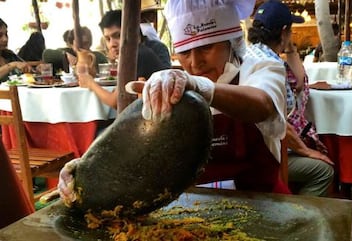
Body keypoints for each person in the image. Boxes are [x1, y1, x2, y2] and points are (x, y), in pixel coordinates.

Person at [58, 0, 290, 205]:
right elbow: (136, 147)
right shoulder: (174, 85)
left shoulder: (260, 68)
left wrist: (202, 87)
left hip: (261, 206)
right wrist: (88, 169)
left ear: (232, 41)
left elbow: (262, 104)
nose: (195, 63)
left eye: (207, 47)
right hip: (189, 209)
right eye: (185, 52)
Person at [247, 0, 334, 197]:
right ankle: (298, 217)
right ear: (285, 30)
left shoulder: (253, 54)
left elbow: (300, 83)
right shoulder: (270, 66)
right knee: (323, 171)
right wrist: (307, 151)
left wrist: (290, 48)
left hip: (259, 145)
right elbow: (280, 121)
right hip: (268, 152)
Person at [77, 10, 169, 109]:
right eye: (108, 39)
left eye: (118, 36)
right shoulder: (138, 52)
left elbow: (115, 102)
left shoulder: (137, 55)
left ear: (135, 34)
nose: (112, 44)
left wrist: (90, 83)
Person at [0, 18, 31, 82]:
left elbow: (28, 72)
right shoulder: (13, 63)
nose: (5, 39)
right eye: (0, 35)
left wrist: (38, 71)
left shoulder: (10, 55)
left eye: (6, 34)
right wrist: (12, 65)